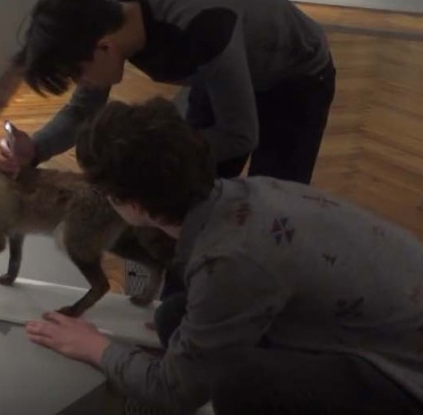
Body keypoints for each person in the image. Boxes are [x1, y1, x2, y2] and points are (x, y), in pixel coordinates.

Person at [24, 97, 423, 415]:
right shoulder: (252, 193)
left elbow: (173, 393)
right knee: (172, 316)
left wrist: (94, 345)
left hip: (405, 374)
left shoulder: (228, 262)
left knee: (239, 385)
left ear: (131, 205)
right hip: (382, 322)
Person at [0, 0, 335, 184]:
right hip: (216, 67)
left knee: (272, 200)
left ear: (104, 48)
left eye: (77, 75)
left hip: (297, 76)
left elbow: (240, 135)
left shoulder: (200, 29)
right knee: (190, 192)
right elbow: (83, 110)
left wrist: (151, 158)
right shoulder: (109, 18)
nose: (80, 85)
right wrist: (35, 150)